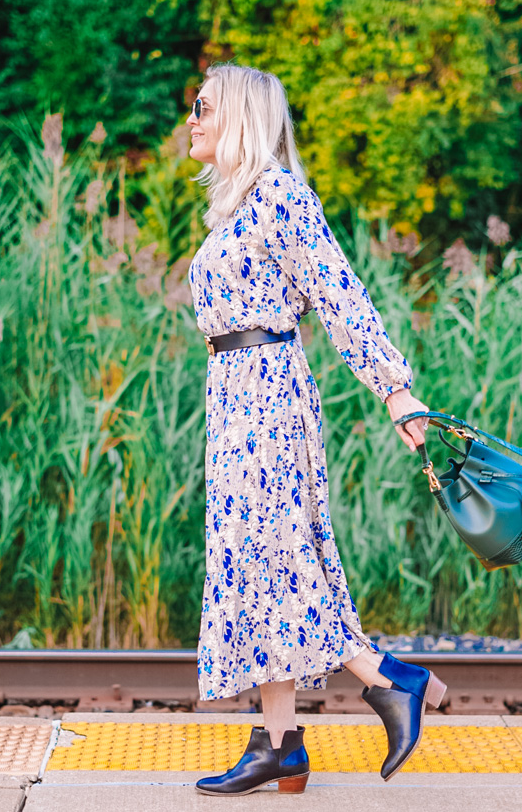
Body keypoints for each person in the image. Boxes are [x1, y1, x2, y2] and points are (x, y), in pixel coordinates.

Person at [186, 63, 446, 796]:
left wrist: (397, 393)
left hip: (267, 395)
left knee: (281, 559)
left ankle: (392, 679)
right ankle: (281, 745)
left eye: (202, 107)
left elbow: (339, 295)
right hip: (236, 396)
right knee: (255, 564)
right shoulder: (237, 208)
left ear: (238, 116)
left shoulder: (280, 195)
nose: (192, 120)